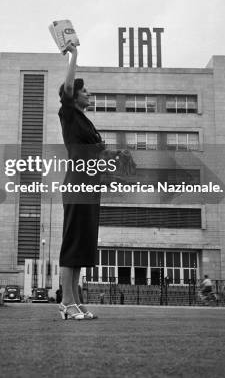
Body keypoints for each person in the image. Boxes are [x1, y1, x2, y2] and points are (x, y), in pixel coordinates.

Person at [57, 42, 136, 320]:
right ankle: (66, 303)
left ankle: (76, 301)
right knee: (72, 244)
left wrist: (118, 152)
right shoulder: (68, 115)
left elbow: (99, 153)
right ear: (74, 95)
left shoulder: (86, 122)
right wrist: (74, 55)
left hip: (91, 186)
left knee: (82, 245)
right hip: (77, 183)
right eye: (85, 90)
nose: (88, 94)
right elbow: (66, 90)